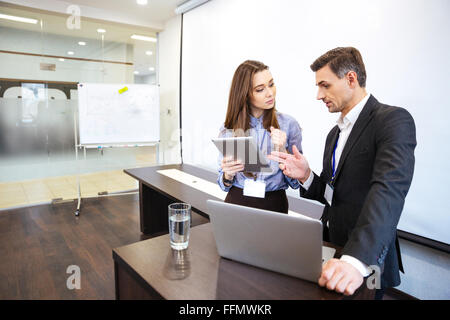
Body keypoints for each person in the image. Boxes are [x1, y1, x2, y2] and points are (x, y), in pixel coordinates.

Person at [268, 47, 416, 298]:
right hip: (333, 244)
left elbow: (388, 191)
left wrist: (356, 261)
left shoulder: (392, 120)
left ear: (350, 79)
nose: (318, 95)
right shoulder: (334, 135)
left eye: (324, 85)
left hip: (367, 257)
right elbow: (332, 192)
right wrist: (306, 176)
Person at [217, 60, 303, 213]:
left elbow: (297, 184)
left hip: (274, 203)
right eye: (260, 89)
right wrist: (228, 174)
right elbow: (223, 185)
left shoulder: (289, 125)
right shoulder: (228, 129)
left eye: (271, 84)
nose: (270, 93)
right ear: (245, 94)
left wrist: (284, 153)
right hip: (237, 201)